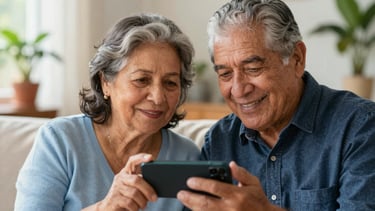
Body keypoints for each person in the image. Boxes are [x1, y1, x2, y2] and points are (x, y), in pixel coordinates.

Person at [177, 0, 375, 210]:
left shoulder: (360, 127)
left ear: (297, 59)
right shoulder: (219, 140)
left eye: (253, 68)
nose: (238, 90)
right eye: (225, 74)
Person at [15, 13, 200, 211]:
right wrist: (104, 207)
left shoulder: (187, 156)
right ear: (106, 83)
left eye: (170, 83)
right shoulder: (59, 141)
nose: (158, 97)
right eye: (142, 80)